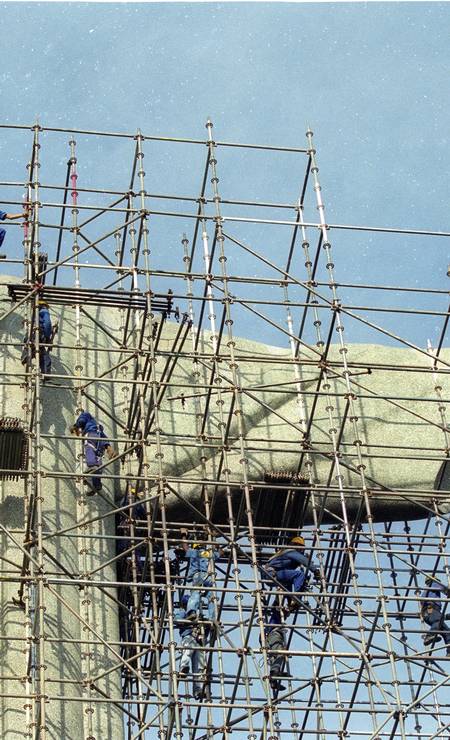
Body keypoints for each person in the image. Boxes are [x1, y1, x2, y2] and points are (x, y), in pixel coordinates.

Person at [265, 535, 321, 607]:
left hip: (274, 574)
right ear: (296, 545)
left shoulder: (285, 554)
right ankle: (296, 598)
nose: (302, 550)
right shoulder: (291, 551)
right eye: (301, 548)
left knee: (291, 581)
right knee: (298, 575)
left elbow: (300, 563)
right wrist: (315, 571)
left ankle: (285, 603)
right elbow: (304, 560)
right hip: (272, 574)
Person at [179, 530, 223, 621]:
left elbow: (185, 547)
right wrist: (214, 540)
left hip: (198, 576)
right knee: (212, 597)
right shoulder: (208, 554)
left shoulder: (194, 552)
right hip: (209, 578)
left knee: (195, 594)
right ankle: (214, 618)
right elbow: (221, 552)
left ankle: (192, 612)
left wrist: (183, 535)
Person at [70, 412, 115, 494]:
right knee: (98, 461)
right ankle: (97, 484)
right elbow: (104, 438)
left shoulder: (86, 417)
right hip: (100, 440)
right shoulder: (98, 428)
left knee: (89, 450)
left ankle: (92, 465)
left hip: (91, 435)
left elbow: (82, 420)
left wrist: (75, 426)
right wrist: (108, 447)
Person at [175, 594, 206, 700]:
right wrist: (189, 619)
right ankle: (183, 668)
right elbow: (178, 621)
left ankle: (198, 690)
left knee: (198, 667)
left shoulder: (197, 614)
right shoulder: (182, 612)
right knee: (187, 651)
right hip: (188, 636)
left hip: (197, 639)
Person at [20, 300, 57, 375]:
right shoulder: (44, 311)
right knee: (42, 354)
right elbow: (47, 324)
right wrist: (47, 336)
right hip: (38, 334)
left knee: (31, 348)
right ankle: (46, 373)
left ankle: (25, 359)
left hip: (31, 334)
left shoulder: (34, 314)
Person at [263, 606, 291, 693]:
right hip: (273, 635)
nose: (285, 616)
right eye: (285, 614)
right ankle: (275, 673)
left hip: (268, 637)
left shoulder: (274, 619)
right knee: (279, 653)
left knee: (273, 656)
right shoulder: (276, 617)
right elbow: (275, 607)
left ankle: (273, 681)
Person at [420, 576, 450, 655]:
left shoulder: (427, 592)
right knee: (438, 621)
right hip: (432, 611)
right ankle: (429, 635)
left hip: (429, 613)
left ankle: (449, 652)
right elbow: (445, 590)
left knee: (447, 632)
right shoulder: (434, 584)